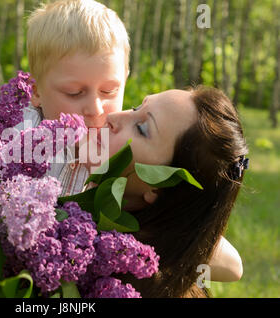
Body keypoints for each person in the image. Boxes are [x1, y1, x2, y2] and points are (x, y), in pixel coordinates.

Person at [0, 0, 242, 297]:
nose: (97, 110)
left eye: (110, 92)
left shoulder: (112, 165)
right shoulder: (17, 137)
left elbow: (223, 257)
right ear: (36, 92)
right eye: (74, 93)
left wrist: (136, 234)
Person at [94, 86, 247, 297]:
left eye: (141, 129)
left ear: (158, 186)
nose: (113, 116)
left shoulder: (117, 274)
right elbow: (233, 264)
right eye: (135, 107)